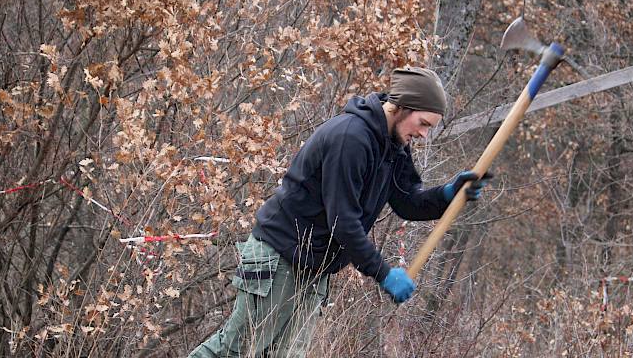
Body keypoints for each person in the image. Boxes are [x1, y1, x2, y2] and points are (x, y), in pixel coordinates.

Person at [188, 67, 491, 357]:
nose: (424, 134)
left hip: (313, 269)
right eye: (423, 123)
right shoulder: (351, 139)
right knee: (236, 350)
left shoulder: (393, 146)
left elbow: (407, 202)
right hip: (279, 257)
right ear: (402, 107)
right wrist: (384, 273)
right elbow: (342, 223)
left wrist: (449, 195)